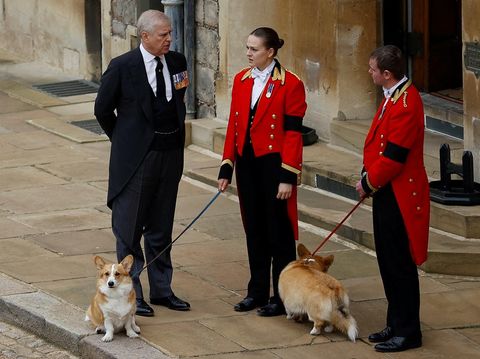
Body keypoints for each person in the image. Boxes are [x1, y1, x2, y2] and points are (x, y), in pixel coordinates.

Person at [94, 10, 191, 317]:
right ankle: (133, 292)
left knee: (161, 226)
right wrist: (125, 142)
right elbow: (102, 110)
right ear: (145, 36)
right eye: (163, 35)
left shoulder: (177, 62)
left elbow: (179, 98)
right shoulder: (122, 67)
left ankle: (162, 289)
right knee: (130, 227)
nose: (169, 40)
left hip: (170, 155)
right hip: (137, 160)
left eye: (170, 34)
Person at [217, 27, 307, 317]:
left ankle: (281, 298)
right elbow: (234, 124)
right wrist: (226, 165)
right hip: (248, 165)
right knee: (253, 229)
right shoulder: (242, 80)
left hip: (274, 166)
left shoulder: (290, 83)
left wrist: (288, 176)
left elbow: (294, 134)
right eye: (247, 48)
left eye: (254, 49)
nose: (248, 53)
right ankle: (256, 292)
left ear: (270, 52)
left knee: (278, 234)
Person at [355, 45, 429, 352]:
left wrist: (367, 183)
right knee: (388, 260)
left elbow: (395, 157)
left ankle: (408, 331)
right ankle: (395, 322)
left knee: (399, 264)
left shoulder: (406, 103)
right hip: (387, 191)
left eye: (372, 69)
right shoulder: (394, 95)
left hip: (399, 193)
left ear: (387, 74)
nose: (369, 72)